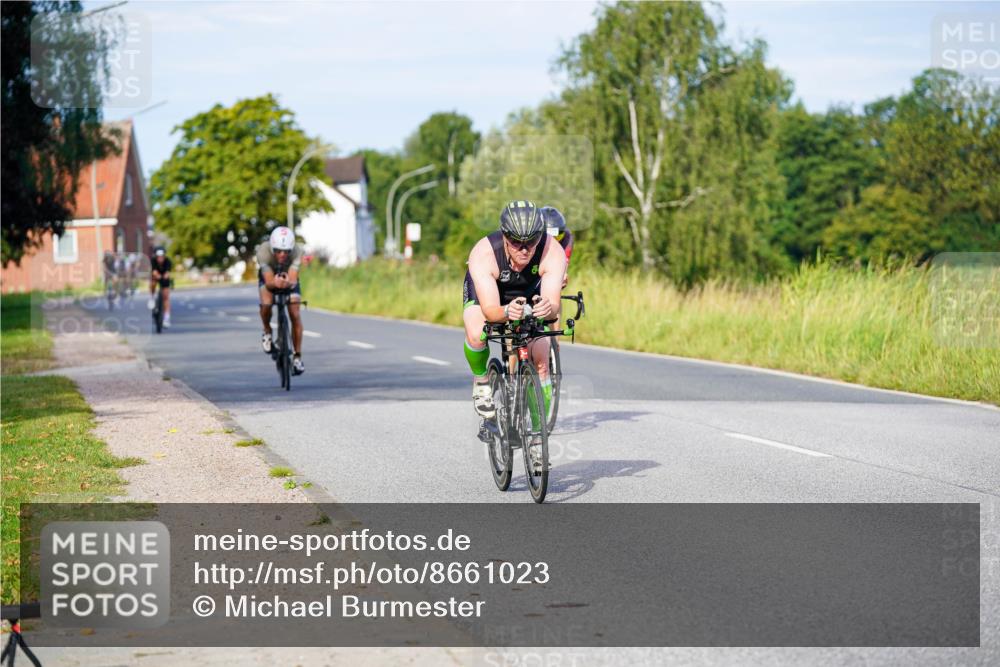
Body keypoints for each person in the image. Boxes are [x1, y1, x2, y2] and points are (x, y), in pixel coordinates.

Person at [462, 200, 566, 470]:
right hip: (492, 294)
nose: (524, 249)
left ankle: (537, 437)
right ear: (504, 236)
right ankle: (482, 381)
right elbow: (490, 310)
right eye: (516, 242)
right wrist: (506, 311)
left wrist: (547, 307)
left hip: (529, 290)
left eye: (531, 241)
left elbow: (554, 304)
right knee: (476, 333)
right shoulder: (484, 253)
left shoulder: (552, 251)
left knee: (541, 357)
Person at [256, 226, 305, 375]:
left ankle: (297, 357)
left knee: (295, 313)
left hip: (288, 277)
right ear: (272, 247)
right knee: (266, 304)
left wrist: (287, 283)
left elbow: (293, 278)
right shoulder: (263, 252)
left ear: (291, 249)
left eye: (286, 251)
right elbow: (269, 282)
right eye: (278, 251)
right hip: (269, 277)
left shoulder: (297, 251)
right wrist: (275, 283)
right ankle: (267, 331)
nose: (282, 255)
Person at [540, 206, 573, 288]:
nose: (553, 242)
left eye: (557, 237)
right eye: (549, 237)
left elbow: (564, 261)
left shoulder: (567, 237)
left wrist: (563, 276)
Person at [147, 247, 172, 327]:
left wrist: (165, 276)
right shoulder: (153, 261)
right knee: (153, 283)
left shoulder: (168, 261)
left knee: (166, 297)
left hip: (164, 278)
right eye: (159, 257)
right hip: (156, 276)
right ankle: (152, 297)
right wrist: (157, 276)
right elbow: (154, 272)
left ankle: (166, 318)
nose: (160, 259)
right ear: (156, 256)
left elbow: (168, 272)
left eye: (162, 257)